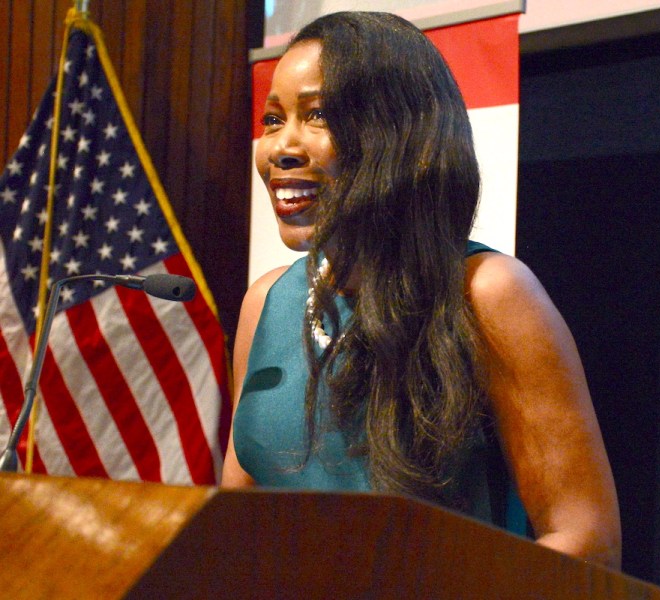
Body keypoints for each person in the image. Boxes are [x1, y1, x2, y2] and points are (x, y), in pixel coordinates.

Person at [221, 11, 621, 568]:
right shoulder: (266, 304)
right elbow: (237, 528)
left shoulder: (489, 294)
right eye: (271, 120)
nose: (281, 148)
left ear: (398, 134)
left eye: (318, 116)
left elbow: (587, 543)